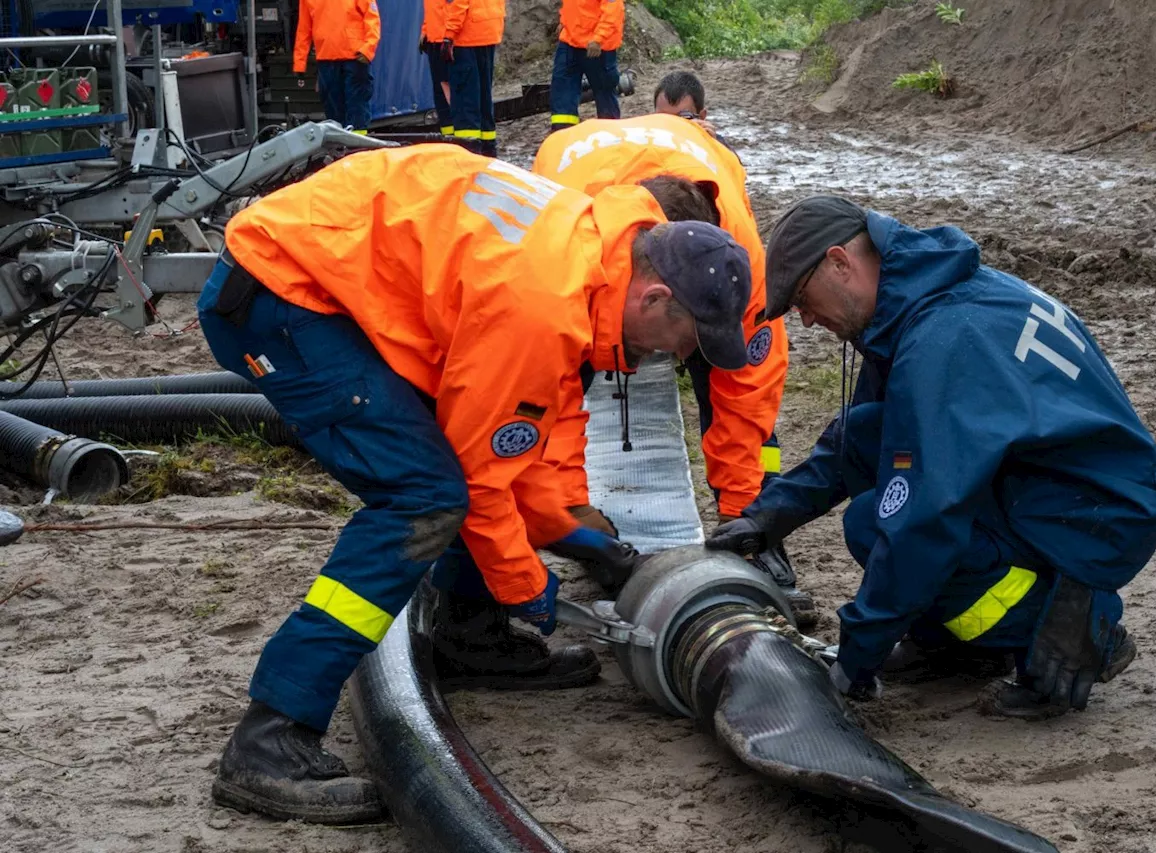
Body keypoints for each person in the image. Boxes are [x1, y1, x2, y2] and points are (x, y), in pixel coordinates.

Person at [197, 145, 753, 823]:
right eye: (685, 338)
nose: (679, 356)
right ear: (655, 295)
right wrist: (527, 588)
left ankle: (469, 631)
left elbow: (520, 444)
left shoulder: (595, 253)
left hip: (332, 275)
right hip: (283, 293)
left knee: (449, 468)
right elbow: (481, 478)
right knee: (424, 496)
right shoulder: (541, 306)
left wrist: (576, 538)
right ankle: (271, 735)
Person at [708, 195, 1156, 719]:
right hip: (1052, 486)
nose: (807, 319)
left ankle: (1081, 628)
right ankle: (957, 646)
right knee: (876, 491)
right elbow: (864, 434)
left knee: (893, 527)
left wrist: (853, 662)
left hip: (1097, 519)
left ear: (840, 263)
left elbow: (925, 521)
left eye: (802, 297)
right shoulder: (922, 302)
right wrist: (770, 516)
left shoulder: (942, 339)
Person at [532, 113, 818, 627]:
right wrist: (572, 513)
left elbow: (747, 389)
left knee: (729, 371)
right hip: (582, 195)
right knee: (572, 368)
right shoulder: (576, 244)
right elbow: (550, 386)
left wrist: (746, 516)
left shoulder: (741, 258)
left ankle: (757, 522)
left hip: (695, 165)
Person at [420, 0, 505, 157]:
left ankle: (468, 153)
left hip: (464, 34)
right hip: (482, 28)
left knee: (465, 102)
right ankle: (487, 152)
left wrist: (449, 34)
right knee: (481, 99)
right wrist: (428, 30)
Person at [294, 0, 380, 133]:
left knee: (354, 107)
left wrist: (368, 49)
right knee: (339, 108)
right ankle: (348, 145)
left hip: (352, 57)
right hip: (341, 57)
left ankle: (356, 145)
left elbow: (371, 18)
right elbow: (304, 28)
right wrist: (299, 62)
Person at [549, 0, 624, 132]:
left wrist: (599, 38)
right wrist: (564, 22)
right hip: (570, 40)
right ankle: (563, 135)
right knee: (562, 93)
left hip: (596, 46)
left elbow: (613, 10)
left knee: (604, 93)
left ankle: (610, 137)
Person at [418, 0, 454, 140]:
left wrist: (449, 37)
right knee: (440, 93)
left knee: (450, 90)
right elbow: (431, 11)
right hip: (434, 40)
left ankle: (457, 133)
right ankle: (448, 134)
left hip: (447, 41)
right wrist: (425, 32)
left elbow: (455, 9)